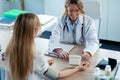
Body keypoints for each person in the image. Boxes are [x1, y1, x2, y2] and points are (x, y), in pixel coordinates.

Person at [5, 13, 89, 80]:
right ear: (35, 29)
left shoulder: (9, 49)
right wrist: (78, 68)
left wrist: (44, 65)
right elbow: (57, 76)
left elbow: (30, 67)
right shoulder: (35, 53)